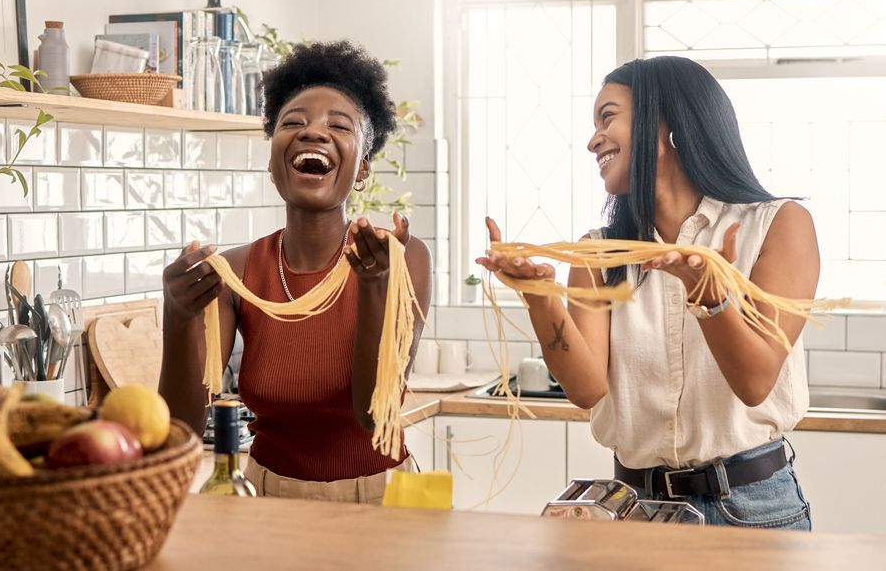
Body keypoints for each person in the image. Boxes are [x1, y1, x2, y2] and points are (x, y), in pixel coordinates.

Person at [477, 56, 817, 529]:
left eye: (608, 116)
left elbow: (755, 381)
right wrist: (539, 296)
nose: (593, 139)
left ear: (666, 123)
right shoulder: (599, 253)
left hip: (753, 508)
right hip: (638, 507)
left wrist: (709, 298)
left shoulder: (777, 225)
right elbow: (586, 388)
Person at [159, 41, 432, 504]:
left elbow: (373, 415)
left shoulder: (400, 259)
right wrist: (178, 313)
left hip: (383, 502)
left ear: (363, 164)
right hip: (266, 499)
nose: (314, 133)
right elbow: (181, 426)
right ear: (272, 160)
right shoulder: (239, 270)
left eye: (338, 126)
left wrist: (374, 287)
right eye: (293, 123)